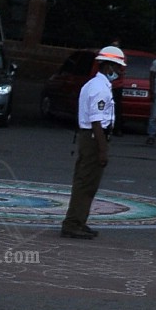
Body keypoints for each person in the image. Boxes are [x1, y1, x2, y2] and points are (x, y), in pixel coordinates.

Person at [60, 45, 121, 238]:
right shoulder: (99, 88)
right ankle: (72, 223)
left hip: (91, 137)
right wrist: (103, 150)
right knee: (86, 183)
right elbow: (97, 122)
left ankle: (78, 220)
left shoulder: (94, 85)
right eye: (118, 68)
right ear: (109, 67)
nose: (119, 72)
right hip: (94, 138)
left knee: (87, 182)